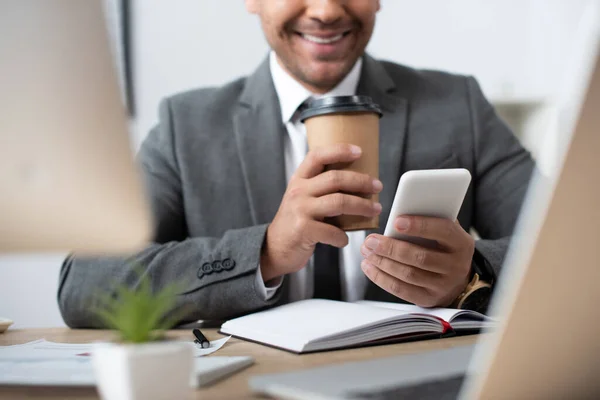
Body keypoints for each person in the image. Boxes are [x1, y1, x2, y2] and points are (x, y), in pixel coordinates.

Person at [58, 0, 534, 327]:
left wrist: (474, 273)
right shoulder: (186, 126)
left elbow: (572, 243)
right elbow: (85, 283)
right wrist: (264, 252)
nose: (326, 11)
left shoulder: (458, 105)